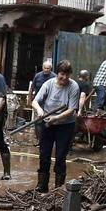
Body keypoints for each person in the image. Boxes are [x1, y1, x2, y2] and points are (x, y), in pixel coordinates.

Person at [32, 60, 85, 193]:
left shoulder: (74, 87)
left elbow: (72, 109)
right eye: (62, 74)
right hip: (47, 123)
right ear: (57, 74)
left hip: (65, 125)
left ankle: (58, 188)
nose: (64, 78)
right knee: (44, 154)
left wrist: (56, 118)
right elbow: (35, 101)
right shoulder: (48, 84)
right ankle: (42, 186)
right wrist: (39, 111)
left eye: (67, 75)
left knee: (61, 155)